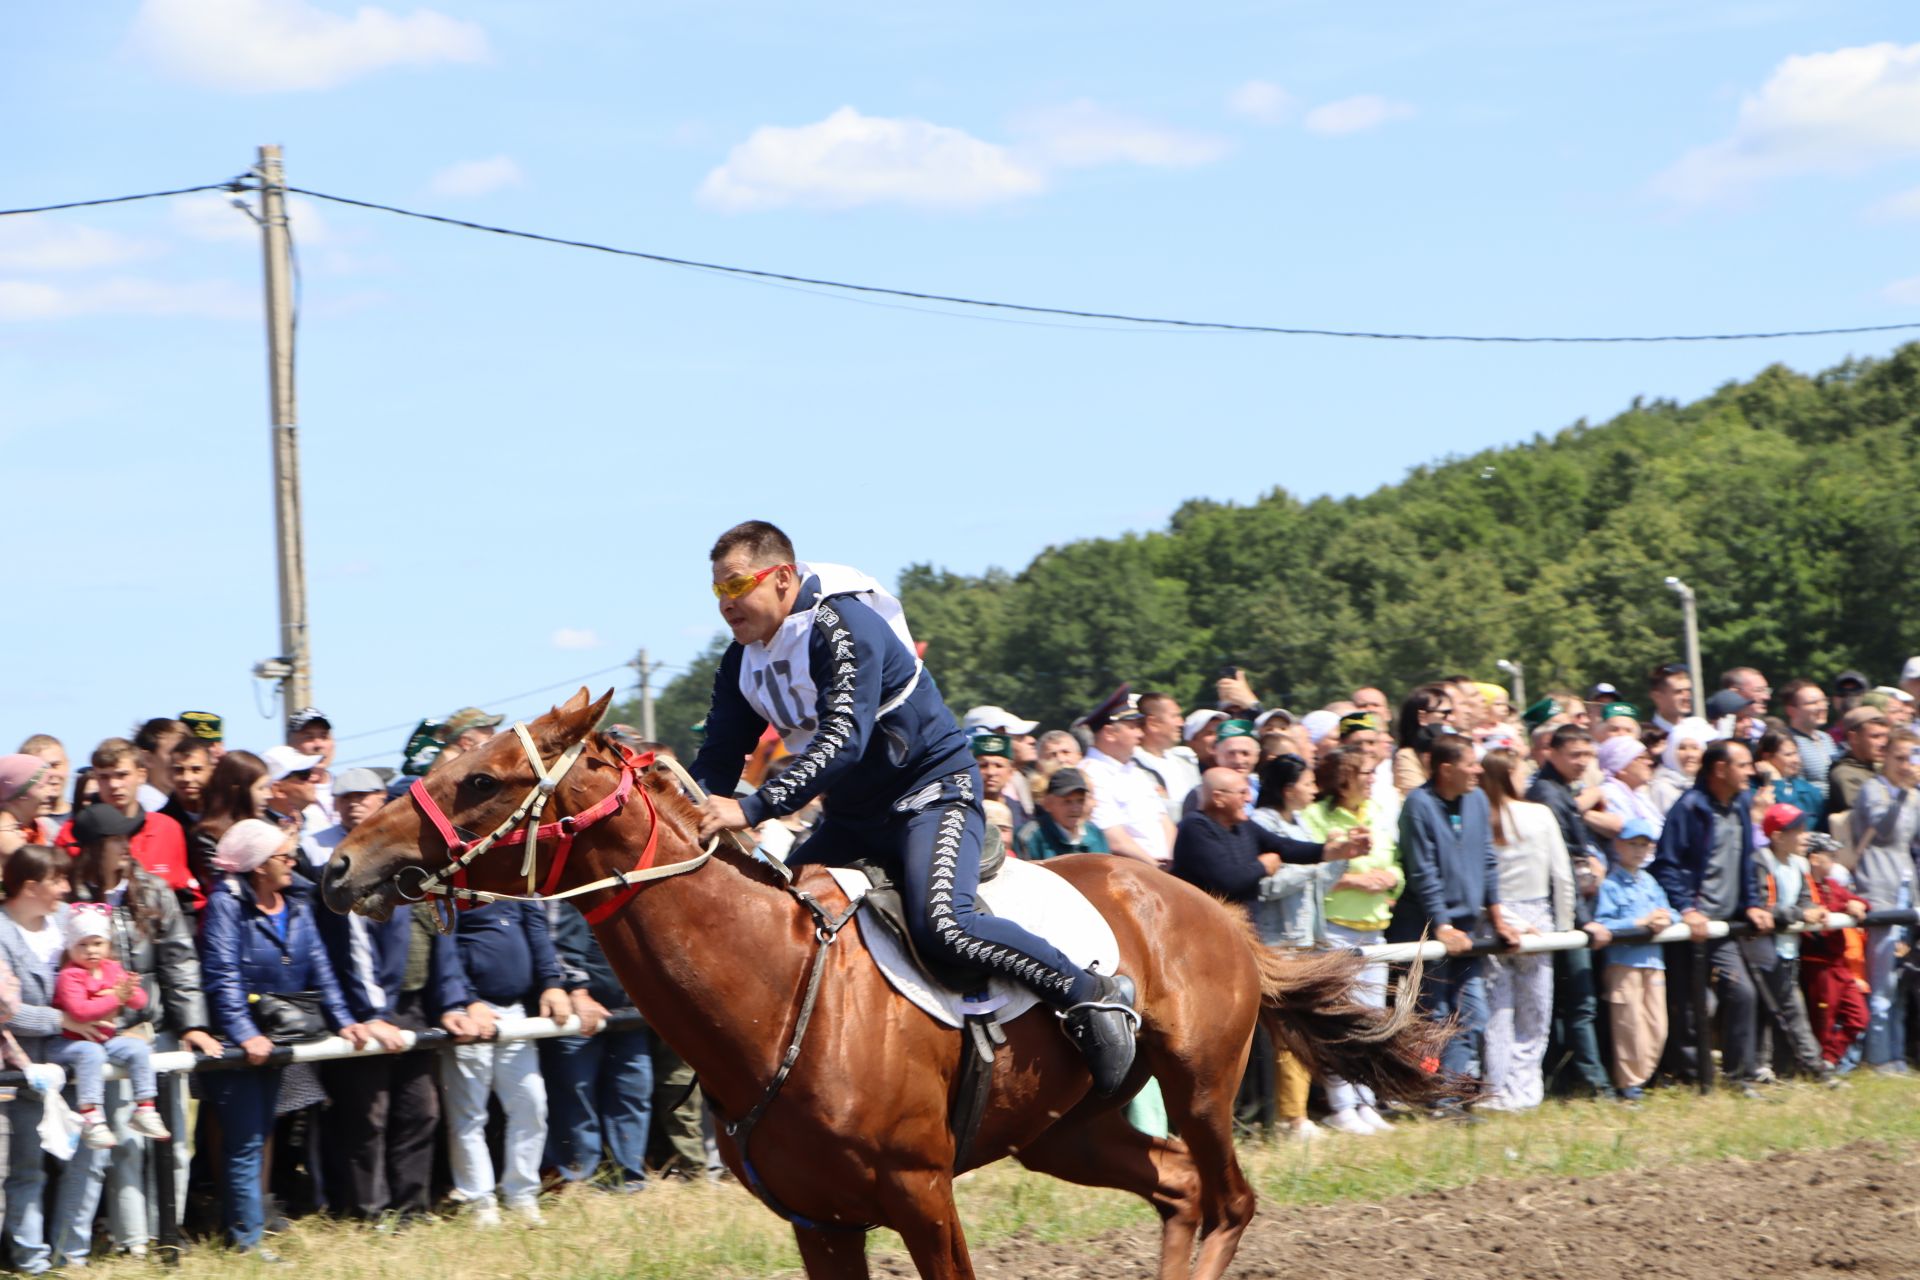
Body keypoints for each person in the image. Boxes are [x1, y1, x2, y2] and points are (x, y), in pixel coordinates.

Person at [688, 522, 1142, 1093]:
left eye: (737, 586)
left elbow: (841, 743)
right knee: (784, 916)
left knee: (944, 926)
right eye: (717, 592)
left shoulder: (842, 624)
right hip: (855, 816)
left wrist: (752, 809)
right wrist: (691, 810)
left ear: (781, 578)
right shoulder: (740, 661)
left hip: (932, 792)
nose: (727, 604)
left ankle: (1089, 995)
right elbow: (721, 753)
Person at [199, 819, 370, 1255]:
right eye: (283, 856)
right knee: (246, 1142)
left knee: (262, 1135)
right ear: (257, 866)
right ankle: (246, 1240)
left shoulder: (295, 900)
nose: (293, 862)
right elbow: (222, 975)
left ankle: (247, 1227)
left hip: (279, 1035)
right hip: (244, 1043)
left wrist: (344, 1019)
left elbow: (320, 966)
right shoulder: (225, 905)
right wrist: (243, 1033)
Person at [65, 801, 220, 1256]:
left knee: (172, 1138)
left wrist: (192, 1023)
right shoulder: (70, 901)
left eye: (127, 838)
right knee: (125, 1141)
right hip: (106, 1040)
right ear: (94, 849)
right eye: (116, 840)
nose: (126, 847)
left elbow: (179, 959)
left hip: (158, 1032)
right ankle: (135, 1243)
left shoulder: (152, 890)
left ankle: (169, 1234)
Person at [310, 773, 462, 1224]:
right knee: (367, 1116)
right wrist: (373, 1014)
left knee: (422, 1110)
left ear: (383, 800)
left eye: (365, 796)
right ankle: (366, 1213)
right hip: (366, 1009)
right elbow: (354, 943)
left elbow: (441, 929)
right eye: (346, 797)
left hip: (413, 1003)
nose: (355, 804)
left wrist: (451, 1000)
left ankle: (411, 1208)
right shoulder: (339, 859)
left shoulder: (410, 851)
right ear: (335, 806)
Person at [1172, 763, 1344, 1140]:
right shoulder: (1195, 830)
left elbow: (1287, 848)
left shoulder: (1244, 827)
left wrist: (1332, 850)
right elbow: (1228, 879)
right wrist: (1262, 866)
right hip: (1197, 953)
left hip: (1233, 947)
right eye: (1241, 792)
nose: (1249, 797)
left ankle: (1240, 1118)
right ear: (1218, 797)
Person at [1388, 735, 1521, 1113]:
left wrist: (1497, 918)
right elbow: (1422, 872)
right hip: (1425, 931)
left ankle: (1445, 1098)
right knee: (1433, 1017)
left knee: (1471, 1015)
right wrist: (1441, 926)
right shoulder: (1418, 806)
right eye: (1471, 764)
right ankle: (1428, 1095)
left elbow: (1487, 860)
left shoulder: (1477, 800)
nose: (1479, 770)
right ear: (1446, 769)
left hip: (1468, 931)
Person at [1, 846, 117, 1273]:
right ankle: (31, 1260)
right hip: (26, 1068)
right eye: (57, 880)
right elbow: (4, 1009)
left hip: (83, 1063)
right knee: (29, 1168)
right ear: (30, 887)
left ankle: (72, 1254)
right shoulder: (0, 932)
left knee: (90, 1162)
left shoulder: (68, 920)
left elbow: (107, 973)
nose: (66, 888)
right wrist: (63, 1019)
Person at [1649, 739, 1774, 1092]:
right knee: (1693, 1004)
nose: (1752, 771)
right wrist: (1687, 908)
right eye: (1744, 765)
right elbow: (1667, 866)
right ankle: (1692, 1078)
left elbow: (1746, 861)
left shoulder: (1742, 803)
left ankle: (1740, 1076)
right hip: (1690, 926)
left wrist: (1751, 903)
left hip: (1723, 926)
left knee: (1743, 994)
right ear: (1720, 769)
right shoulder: (1688, 808)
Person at [438, 899, 571, 1225]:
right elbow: (445, 948)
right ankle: (478, 1199)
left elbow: (536, 929)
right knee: (469, 1115)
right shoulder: (447, 887)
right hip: (470, 1017)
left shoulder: (510, 886)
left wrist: (552, 983)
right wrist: (467, 1001)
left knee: (531, 1105)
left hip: (515, 1014)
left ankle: (521, 1194)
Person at [1299, 745, 1401, 1135]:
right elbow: (1311, 868)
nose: (1373, 780)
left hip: (1374, 926)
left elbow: (1393, 862)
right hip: (1335, 928)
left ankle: (1365, 1100)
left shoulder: (1378, 813)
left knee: (1373, 1020)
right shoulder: (1315, 817)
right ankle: (1341, 1106)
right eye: (1365, 774)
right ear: (1343, 779)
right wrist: (1355, 880)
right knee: (1341, 1020)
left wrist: (1392, 879)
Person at [1479, 749, 1577, 1111]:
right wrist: (1565, 928)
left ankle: (1497, 1087)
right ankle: (1525, 1089)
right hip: (1537, 917)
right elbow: (1563, 876)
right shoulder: (1539, 815)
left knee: (1498, 1011)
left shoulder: (1480, 817)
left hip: (1492, 918)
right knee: (1534, 1013)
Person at [1523, 725, 1612, 1099]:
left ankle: (1563, 1081)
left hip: (1565, 908)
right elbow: (1560, 866)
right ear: (1552, 753)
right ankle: (1595, 1085)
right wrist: (1580, 918)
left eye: (1586, 755)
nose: (1582, 762)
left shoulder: (1559, 792)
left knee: (1566, 1003)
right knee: (1579, 1002)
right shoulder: (1547, 794)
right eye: (1574, 755)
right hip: (1563, 913)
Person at [541, 903, 645, 1194]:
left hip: (628, 1008)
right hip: (580, 1010)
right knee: (576, 1095)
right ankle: (578, 1178)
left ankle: (630, 1177)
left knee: (633, 1091)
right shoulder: (579, 891)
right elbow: (560, 936)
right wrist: (577, 990)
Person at [47, 903, 170, 1149]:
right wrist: (116, 997)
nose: (91, 951)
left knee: (138, 1049)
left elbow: (140, 1002)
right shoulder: (69, 975)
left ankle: (144, 1108)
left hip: (105, 1040)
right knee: (90, 1053)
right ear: (70, 947)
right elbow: (80, 1012)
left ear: (108, 945)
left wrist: (129, 991)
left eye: (97, 943)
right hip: (68, 1043)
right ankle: (91, 1116)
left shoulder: (111, 968)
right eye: (82, 944)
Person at [1848, 730, 1920, 1072]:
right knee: (1882, 982)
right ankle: (1878, 1056)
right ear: (1885, 758)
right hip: (1879, 888)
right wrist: (1905, 793)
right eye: (1900, 758)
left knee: (1901, 979)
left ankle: (1896, 1054)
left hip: (1908, 889)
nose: (1907, 765)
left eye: (1912, 758)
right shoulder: (1872, 791)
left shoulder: (1913, 797)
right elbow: (1886, 829)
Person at [58, 739, 199, 912]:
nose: (114, 785)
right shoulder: (72, 833)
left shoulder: (167, 828)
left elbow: (186, 899)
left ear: (141, 775)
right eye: (104, 777)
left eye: (122, 775)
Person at [1591, 820, 1673, 1101]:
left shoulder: (1649, 881)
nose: (1639, 850)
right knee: (1629, 1026)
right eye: (1633, 844)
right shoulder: (1611, 885)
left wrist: (1666, 918)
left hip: (1652, 960)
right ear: (1618, 845)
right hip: (1624, 963)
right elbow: (1603, 923)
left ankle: (1644, 1076)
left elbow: (1669, 910)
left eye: (1644, 845)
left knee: (1656, 1025)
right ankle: (1629, 1084)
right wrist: (1641, 921)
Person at [1751, 804, 1831, 1082]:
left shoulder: (1799, 863)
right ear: (1777, 836)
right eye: (1796, 830)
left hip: (1789, 948)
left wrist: (1812, 909)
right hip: (1764, 947)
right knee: (1790, 1007)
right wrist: (1800, 914)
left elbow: (1806, 897)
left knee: (1773, 1007)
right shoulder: (1760, 861)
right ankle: (1815, 1068)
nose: (1804, 835)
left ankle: (1766, 1066)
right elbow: (1764, 906)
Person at [1079, 689, 1177, 869]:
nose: (1140, 734)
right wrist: (1156, 867)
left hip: (1162, 870)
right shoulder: (1091, 774)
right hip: (1133, 872)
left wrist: (1171, 861)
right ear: (1109, 733)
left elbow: (1164, 821)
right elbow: (1115, 839)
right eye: (1133, 727)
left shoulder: (1135, 771)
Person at [1800, 835, 1870, 1069]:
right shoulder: (1804, 885)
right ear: (1814, 858)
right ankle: (1820, 1067)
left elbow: (1856, 901)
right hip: (1817, 964)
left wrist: (1857, 904)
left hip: (1838, 965)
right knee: (1823, 1020)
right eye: (1829, 856)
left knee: (1859, 1016)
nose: (1833, 860)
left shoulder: (1833, 886)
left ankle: (1829, 1061)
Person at [187, 749, 271, 905]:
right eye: (261, 788)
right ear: (238, 791)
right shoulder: (206, 836)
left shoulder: (266, 828)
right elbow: (222, 884)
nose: (268, 795)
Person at [1015, 767, 1108, 860]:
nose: (1075, 808)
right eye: (1067, 801)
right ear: (1048, 804)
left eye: (1080, 801)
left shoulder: (1095, 833)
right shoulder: (1031, 836)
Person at [1135, 691, 1200, 819]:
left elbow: (1203, 805)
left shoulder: (1186, 762)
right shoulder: (1132, 767)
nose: (1181, 723)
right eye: (1175, 716)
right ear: (1153, 723)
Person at [1779, 679, 1839, 803]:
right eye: (1813, 703)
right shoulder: (1788, 742)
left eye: (1823, 701)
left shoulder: (1826, 738)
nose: (1822, 707)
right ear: (1791, 710)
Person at [1826, 706, 1890, 822]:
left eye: (1886, 736)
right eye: (1875, 736)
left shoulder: (1876, 767)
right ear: (1853, 737)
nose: (1884, 743)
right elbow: (1870, 815)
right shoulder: (1844, 774)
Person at [1391, 684, 1455, 794]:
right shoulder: (1406, 756)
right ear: (1422, 717)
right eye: (1445, 713)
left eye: (1451, 712)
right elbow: (1417, 799)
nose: (1451, 718)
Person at [1596, 736, 1664, 840]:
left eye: (1647, 758)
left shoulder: (1639, 796)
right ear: (1621, 767)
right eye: (1640, 758)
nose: (1649, 762)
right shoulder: (1609, 795)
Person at [1649, 717, 1714, 815]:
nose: (1690, 755)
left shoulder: (1707, 784)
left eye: (1695, 748)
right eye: (1682, 748)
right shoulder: (1663, 788)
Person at [970, 733, 1029, 832]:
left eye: (998, 765)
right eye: (983, 765)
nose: (991, 772)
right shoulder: (963, 807)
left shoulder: (1019, 811)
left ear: (1011, 772)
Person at [1647, 663, 1695, 733]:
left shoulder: (1699, 731)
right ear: (1657, 697)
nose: (1687, 698)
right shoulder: (1646, 736)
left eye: (1688, 690)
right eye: (1678, 692)